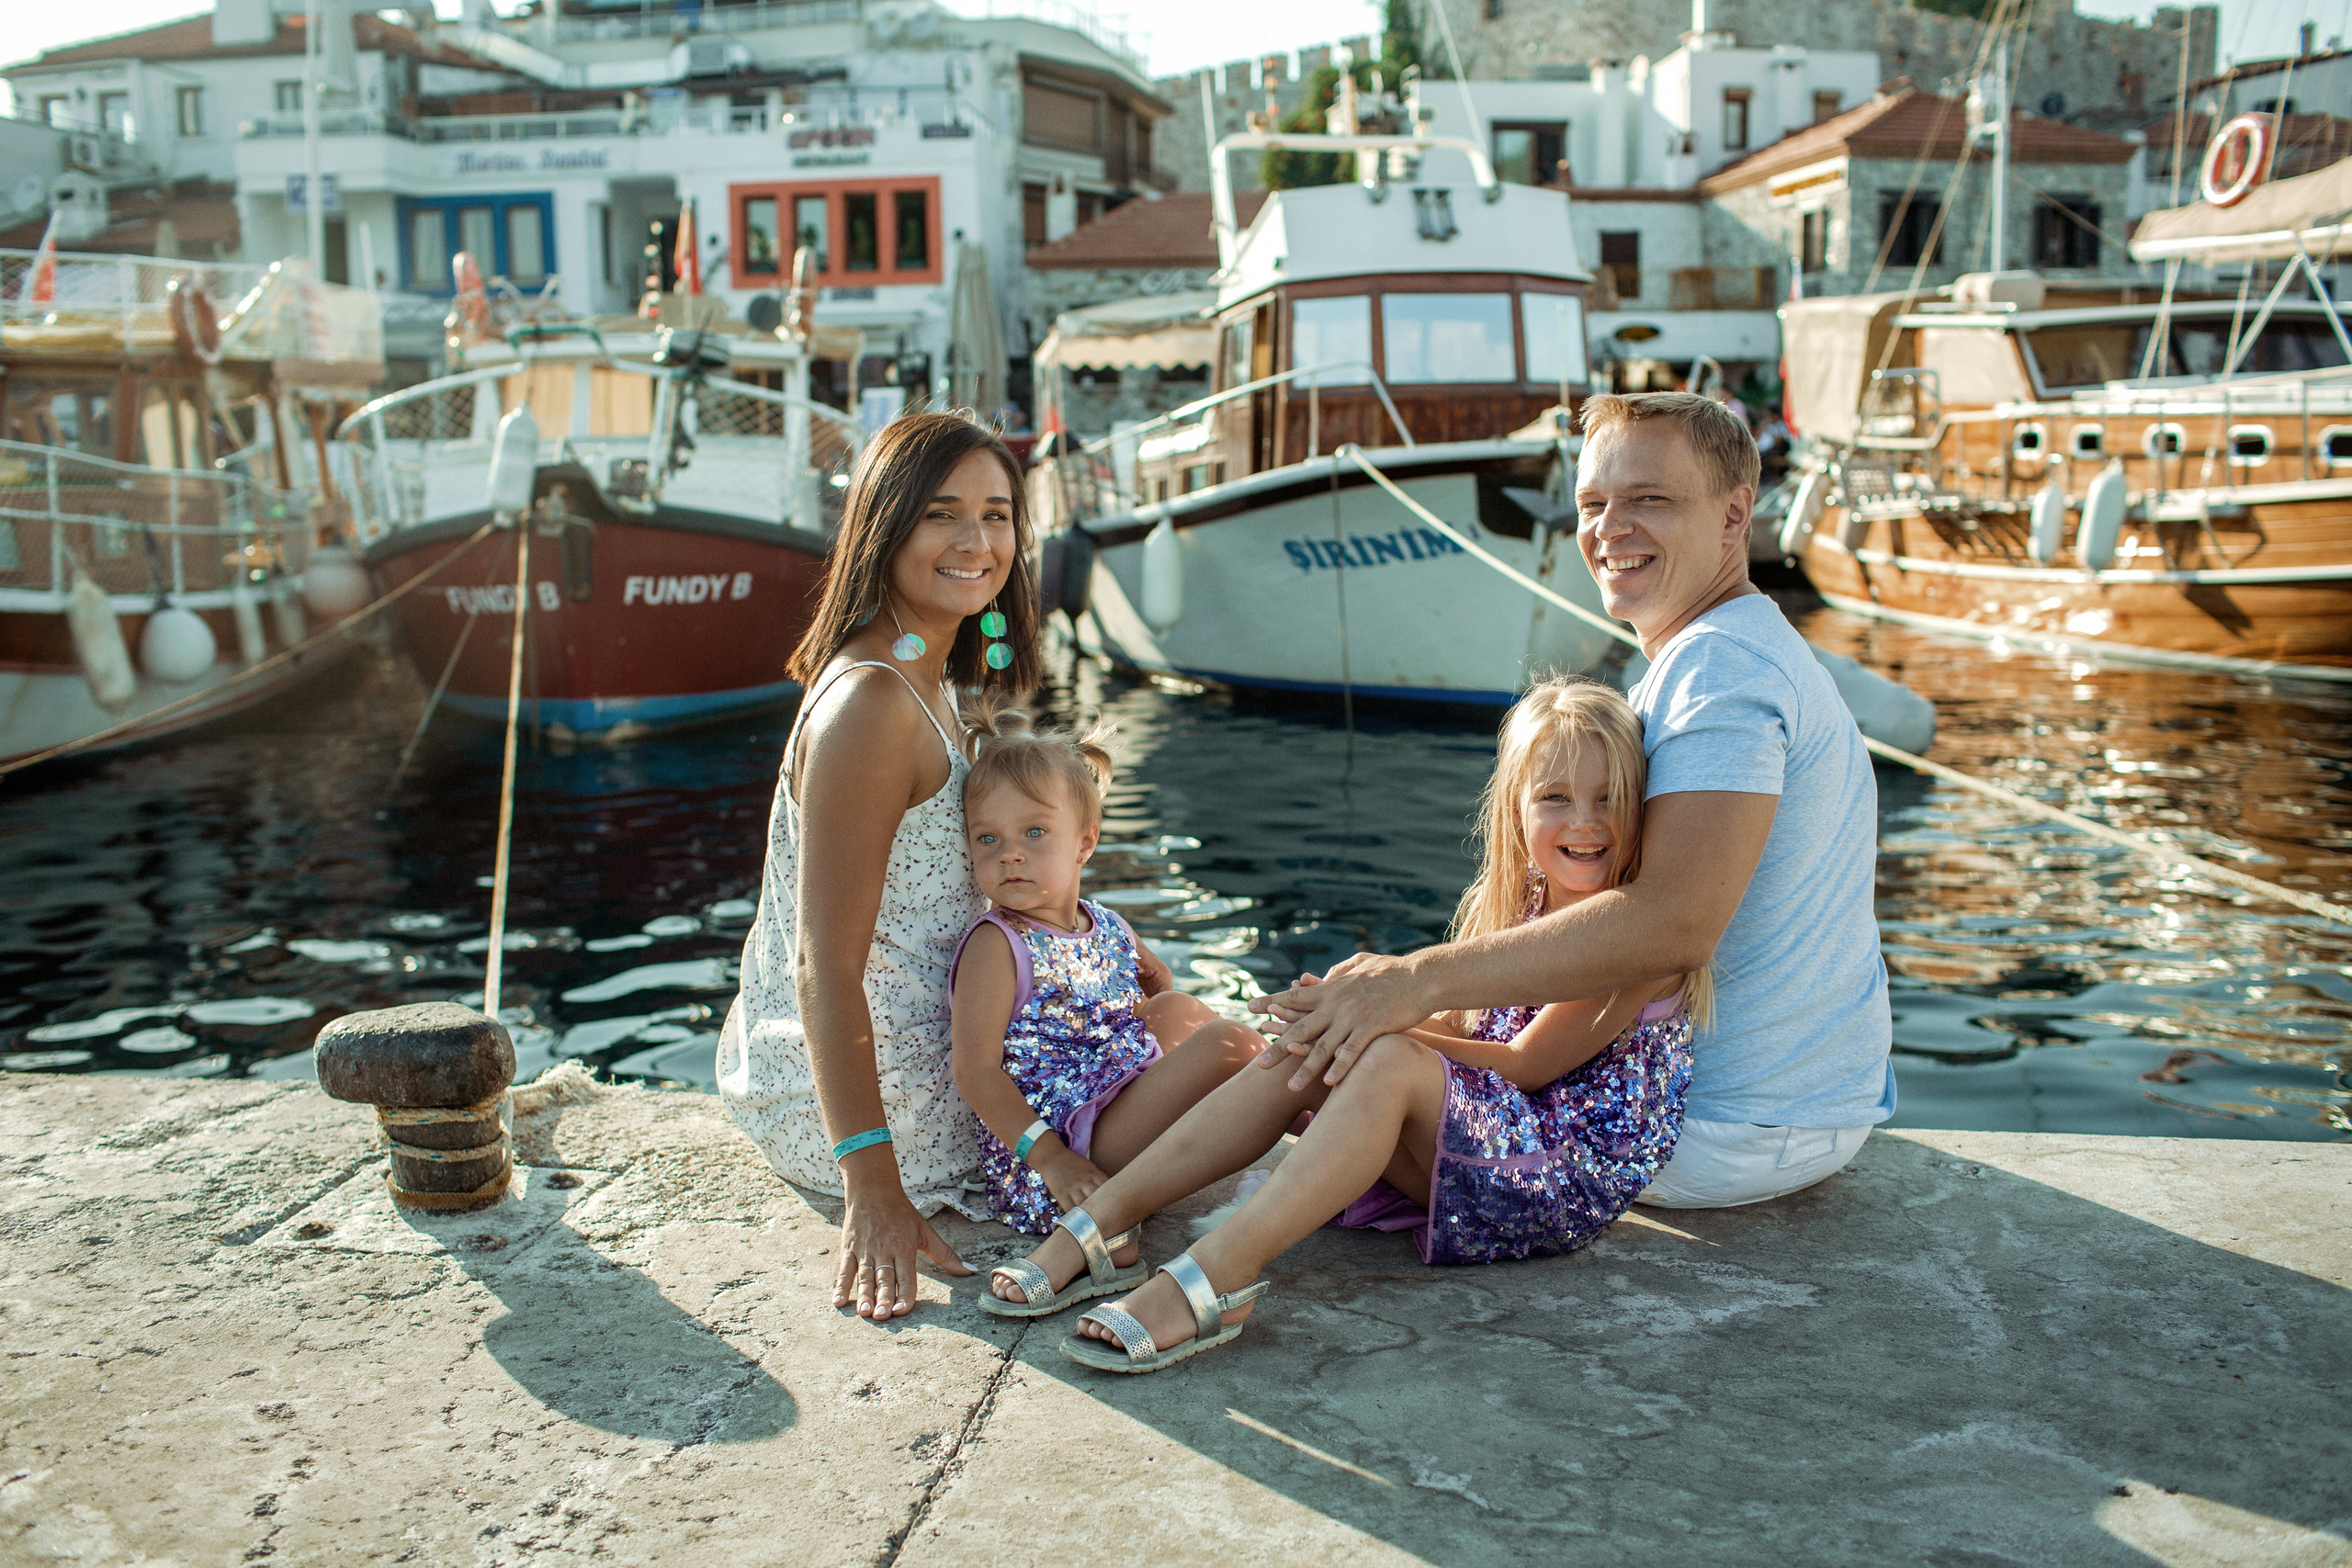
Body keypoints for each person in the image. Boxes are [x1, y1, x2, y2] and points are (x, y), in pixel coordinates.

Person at [1250, 390, 1894, 1212]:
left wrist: (1412, 983)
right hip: (1808, 1110)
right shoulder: (1734, 647)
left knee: (1304, 1073)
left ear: (1735, 516)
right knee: (1319, 1051)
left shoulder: (1720, 670)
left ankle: (1146, 1244)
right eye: (1594, 502)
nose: (1609, 527)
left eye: (1649, 500)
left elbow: (1674, 921)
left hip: (1721, 1126)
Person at [985, 677, 1702, 1372]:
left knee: (1380, 1054)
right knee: (1313, 1041)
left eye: (1610, 799)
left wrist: (1374, 1015)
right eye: (1556, 797)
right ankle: (1100, 1221)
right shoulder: (1522, 902)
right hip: (1486, 1145)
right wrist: (1344, 1005)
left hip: (1559, 1178)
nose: (1585, 821)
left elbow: (1520, 1064)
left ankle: (1218, 1275)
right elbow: (1460, 1028)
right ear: (1515, 808)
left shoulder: (1633, 938)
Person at [716, 412, 1042, 1322]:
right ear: (884, 523)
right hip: (887, 1101)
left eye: (998, 514)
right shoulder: (871, 703)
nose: (978, 542)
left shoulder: (922, 670)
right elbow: (822, 960)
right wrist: (870, 1182)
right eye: (942, 515)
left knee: (1180, 1028)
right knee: (1222, 1065)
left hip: (940, 1043)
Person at [949, 697, 1262, 1316]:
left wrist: (1157, 1031)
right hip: (1064, 1147)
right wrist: (1052, 1158)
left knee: (1177, 1008)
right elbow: (974, 1070)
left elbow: (1157, 979)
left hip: (1109, 1096)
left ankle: (1320, 1129)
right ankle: (1316, 1135)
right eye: (989, 838)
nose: (1009, 852)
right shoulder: (997, 943)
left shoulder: (1107, 924)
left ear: (1084, 843)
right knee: (1234, 1045)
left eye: (1034, 832)